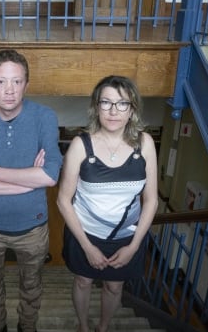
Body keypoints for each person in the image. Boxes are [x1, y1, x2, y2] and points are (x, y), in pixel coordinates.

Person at [0, 49, 63, 332]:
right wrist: (28, 181)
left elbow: (50, 175)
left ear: (26, 84)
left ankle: (26, 327)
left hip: (32, 229)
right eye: (1, 82)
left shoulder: (44, 117)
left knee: (32, 286)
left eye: (17, 82)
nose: (9, 90)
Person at [56, 75, 159, 332]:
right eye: (106, 102)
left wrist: (134, 246)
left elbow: (151, 200)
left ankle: (102, 327)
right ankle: (83, 325)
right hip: (85, 233)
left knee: (115, 286)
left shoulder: (145, 144)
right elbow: (63, 201)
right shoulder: (81, 145)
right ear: (96, 107)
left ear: (132, 109)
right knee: (83, 281)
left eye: (122, 103)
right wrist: (87, 246)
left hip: (125, 237)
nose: (114, 111)